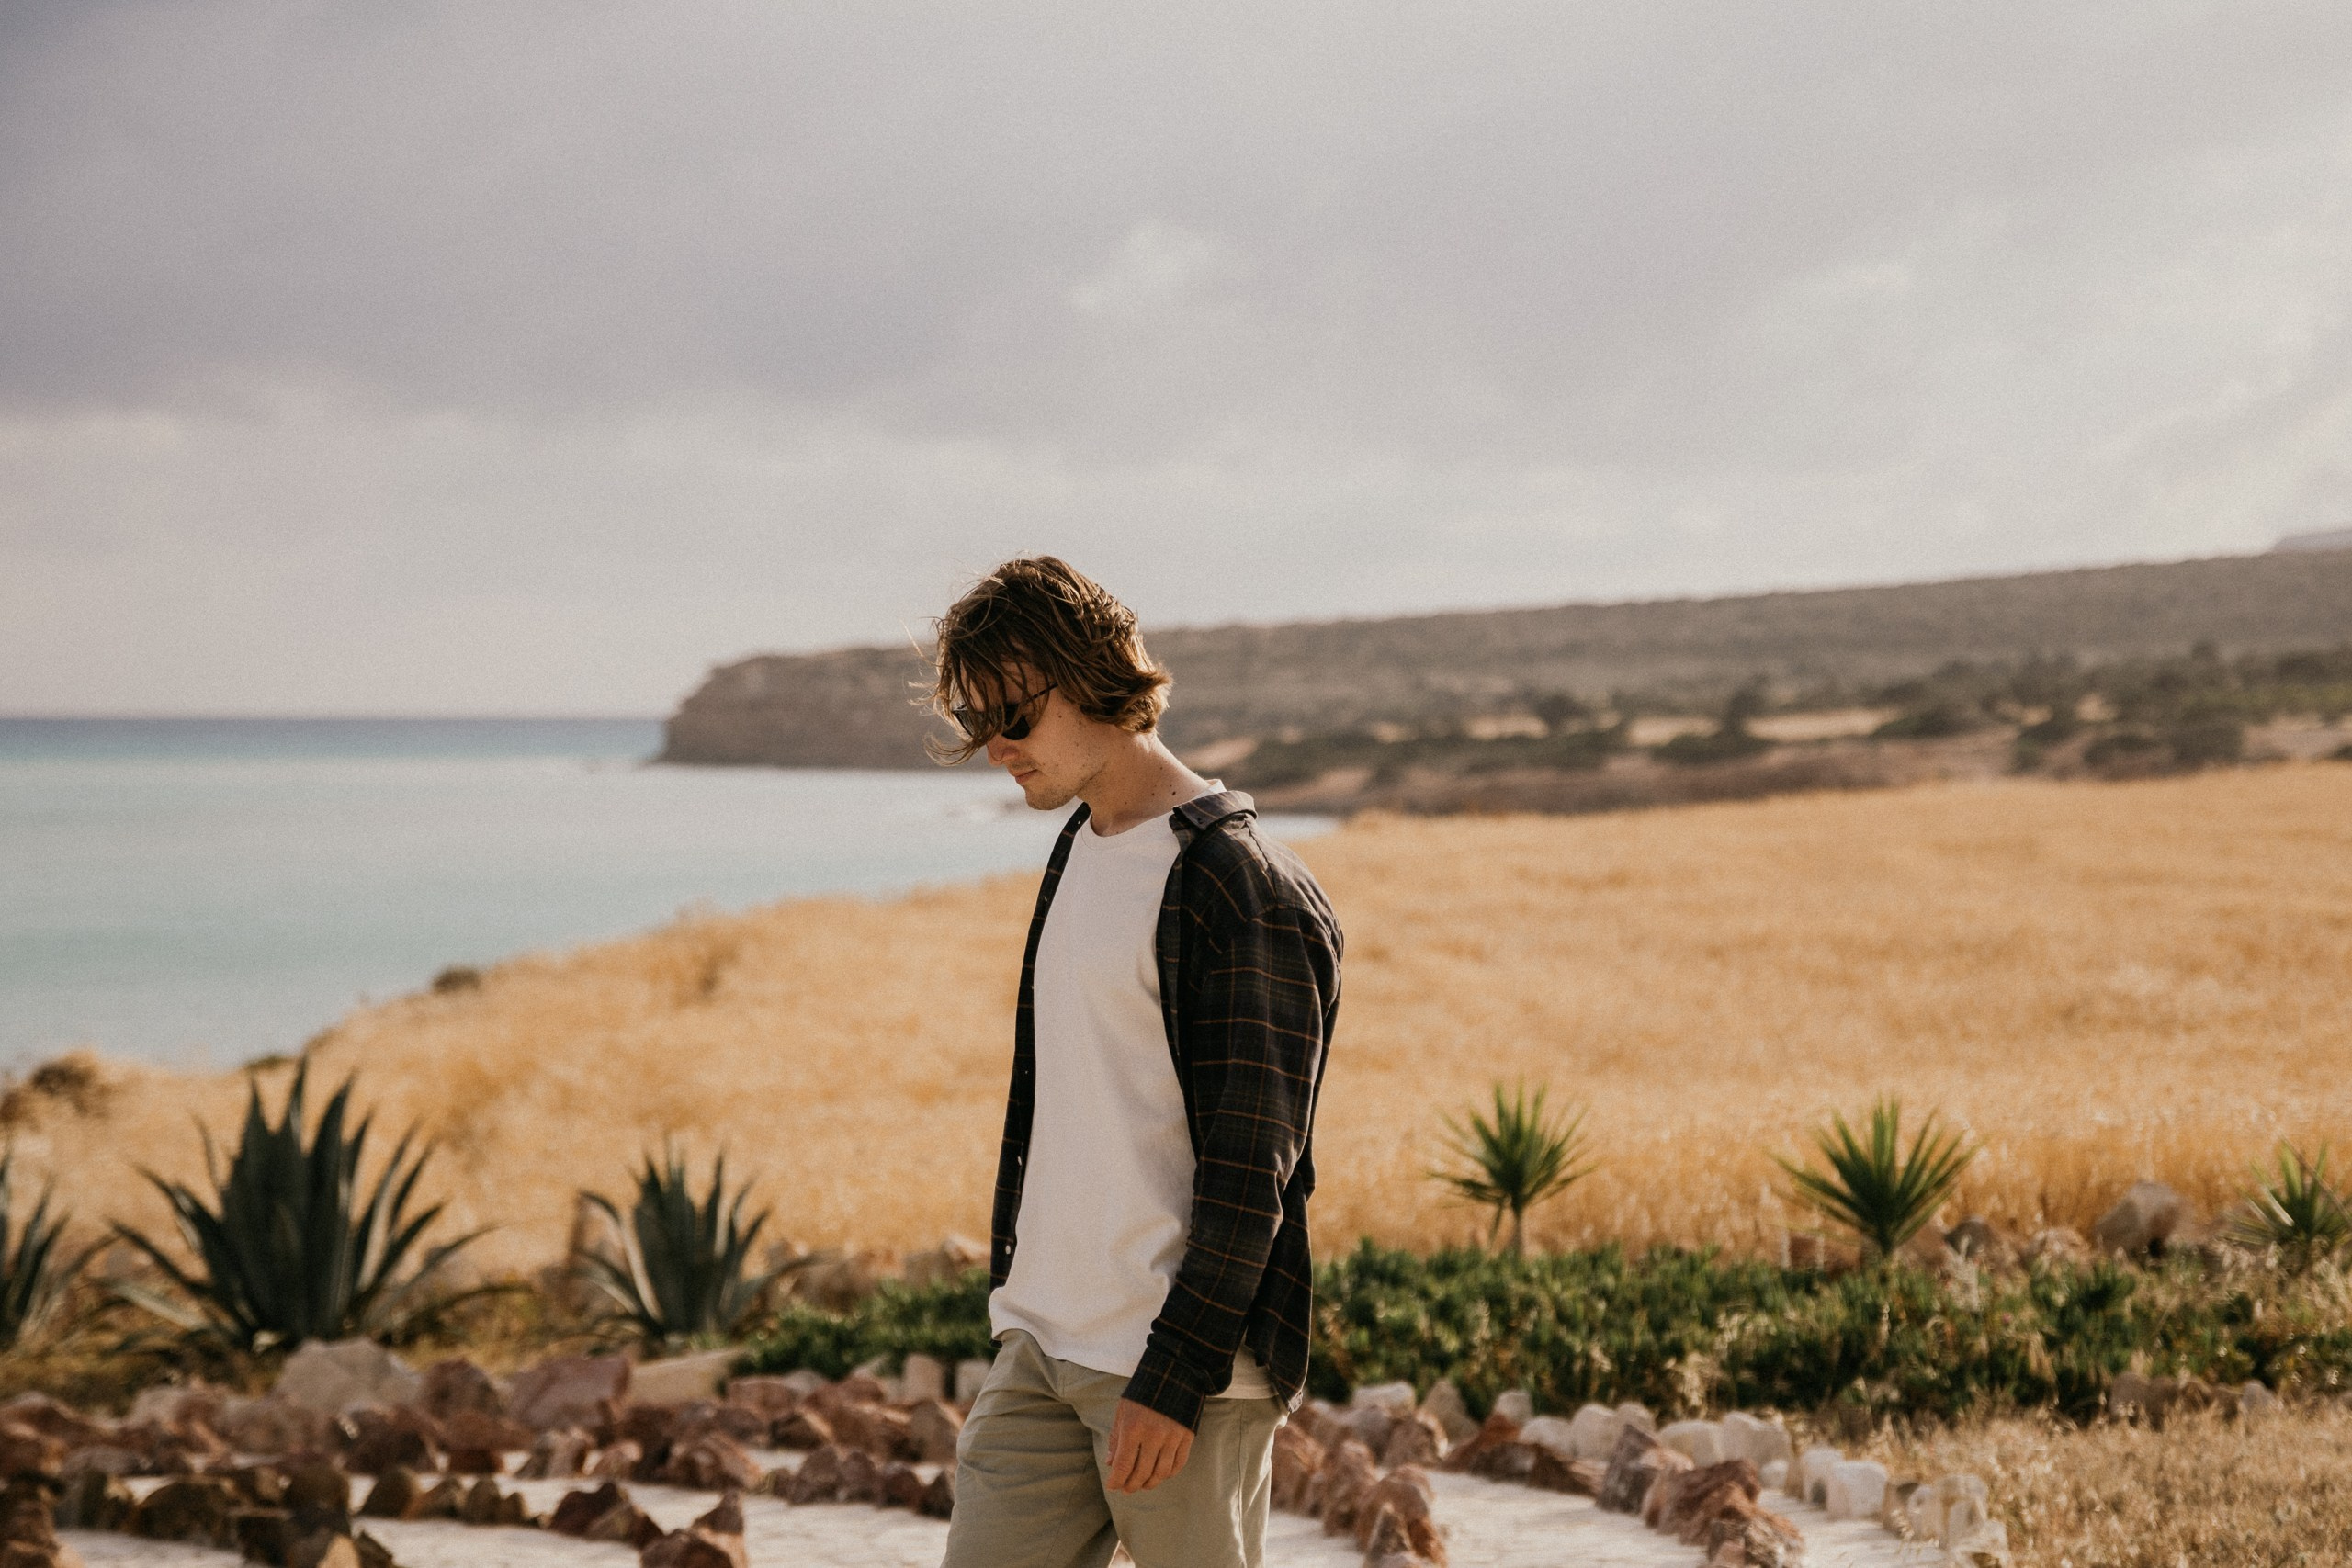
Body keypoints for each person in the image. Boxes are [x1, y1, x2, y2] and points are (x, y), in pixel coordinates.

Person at [924, 557, 1343, 1568]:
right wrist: (1018, 1311)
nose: (996, 750)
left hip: (1177, 1371)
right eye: (978, 725)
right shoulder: (1078, 846)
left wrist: (1174, 1376)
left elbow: (1255, 1174)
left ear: (1093, 677)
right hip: (1041, 1344)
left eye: (1013, 717)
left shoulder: (1242, 889)